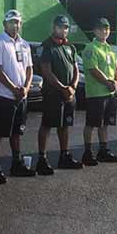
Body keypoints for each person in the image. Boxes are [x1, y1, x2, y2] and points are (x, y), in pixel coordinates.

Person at [0, 9, 36, 181]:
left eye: (17, 22)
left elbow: (29, 68)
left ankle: (16, 163)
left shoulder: (25, 44)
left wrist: (26, 87)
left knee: (17, 132)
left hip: (21, 96)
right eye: (11, 22)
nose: (15, 25)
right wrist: (13, 88)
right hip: (4, 96)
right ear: (4, 24)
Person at [36, 15, 83, 175]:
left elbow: (75, 68)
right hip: (53, 93)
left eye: (66, 27)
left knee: (65, 125)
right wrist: (63, 88)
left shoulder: (70, 47)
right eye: (60, 26)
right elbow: (46, 71)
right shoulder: (47, 46)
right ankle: (42, 159)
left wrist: (73, 87)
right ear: (54, 27)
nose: (63, 30)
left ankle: (64, 156)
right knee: (47, 125)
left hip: (69, 94)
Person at [81, 17, 117, 166]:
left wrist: (116, 81)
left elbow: (116, 68)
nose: (104, 31)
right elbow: (93, 69)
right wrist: (107, 82)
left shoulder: (110, 49)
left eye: (106, 28)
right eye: (100, 28)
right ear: (94, 31)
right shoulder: (91, 48)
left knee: (105, 124)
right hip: (96, 93)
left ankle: (103, 151)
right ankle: (87, 152)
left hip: (109, 93)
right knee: (91, 124)